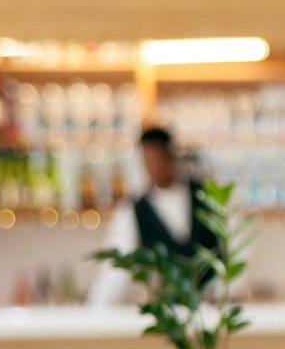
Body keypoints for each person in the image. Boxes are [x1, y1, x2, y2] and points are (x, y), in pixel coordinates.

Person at [89, 126, 216, 307]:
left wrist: (222, 291)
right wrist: (93, 314)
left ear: (171, 156)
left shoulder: (207, 197)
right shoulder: (134, 210)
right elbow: (113, 271)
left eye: (159, 159)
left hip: (213, 310)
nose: (155, 167)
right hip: (167, 313)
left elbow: (235, 248)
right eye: (149, 161)